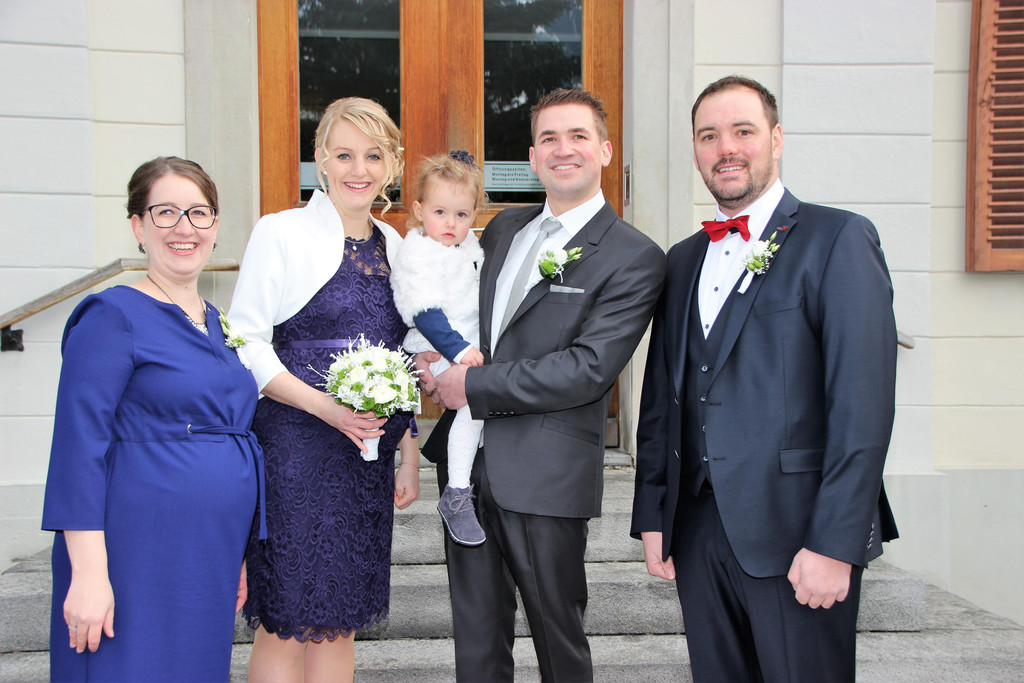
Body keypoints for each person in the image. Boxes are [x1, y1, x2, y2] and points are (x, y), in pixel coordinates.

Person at [630, 75, 900, 681]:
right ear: (695, 151)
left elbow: (862, 406)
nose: (726, 148)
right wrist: (653, 511)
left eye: (743, 131)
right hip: (697, 531)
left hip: (798, 532)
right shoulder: (682, 259)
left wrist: (835, 541)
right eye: (709, 135)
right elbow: (661, 398)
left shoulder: (838, 238)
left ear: (776, 140)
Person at [424, 88, 666, 682]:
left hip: (547, 472)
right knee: (477, 644)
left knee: (559, 643)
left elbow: (588, 369)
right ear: (532, 158)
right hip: (466, 467)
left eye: (578, 136)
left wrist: (470, 386)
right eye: (549, 139)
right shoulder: (503, 228)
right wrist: (432, 357)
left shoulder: (634, 256)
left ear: (605, 150)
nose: (564, 150)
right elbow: (464, 311)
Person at [41, 156, 261, 681]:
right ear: (138, 227)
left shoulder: (217, 322)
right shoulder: (112, 316)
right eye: (165, 212)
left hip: (208, 551)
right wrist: (88, 573)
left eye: (199, 213)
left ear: (215, 226)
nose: (185, 228)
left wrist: (238, 552)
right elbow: (78, 447)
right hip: (134, 549)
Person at [227, 97, 420, 683]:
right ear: (320, 159)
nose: (358, 169)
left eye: (373, 155)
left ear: (392, 164)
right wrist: (325, 408)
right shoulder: (280, 232)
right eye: (344, 154)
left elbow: (404, 357)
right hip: (295, 450)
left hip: (364, 458)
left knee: (340, 621)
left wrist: (409, 452)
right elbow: (245, 342)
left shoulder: (397, 247)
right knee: (287, 621)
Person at [391, 151, 487, 546]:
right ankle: (456, 494)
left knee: (481, 409)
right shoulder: (418, 252)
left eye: (461, 215)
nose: (451, 223)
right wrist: (460, 351)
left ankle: (460, 462)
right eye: (440, 212)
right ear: (418, 210)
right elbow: (425, 312)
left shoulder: (467, 247)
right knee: (474, 406)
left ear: (474, 215)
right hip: (436, 340)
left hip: (464, 339)